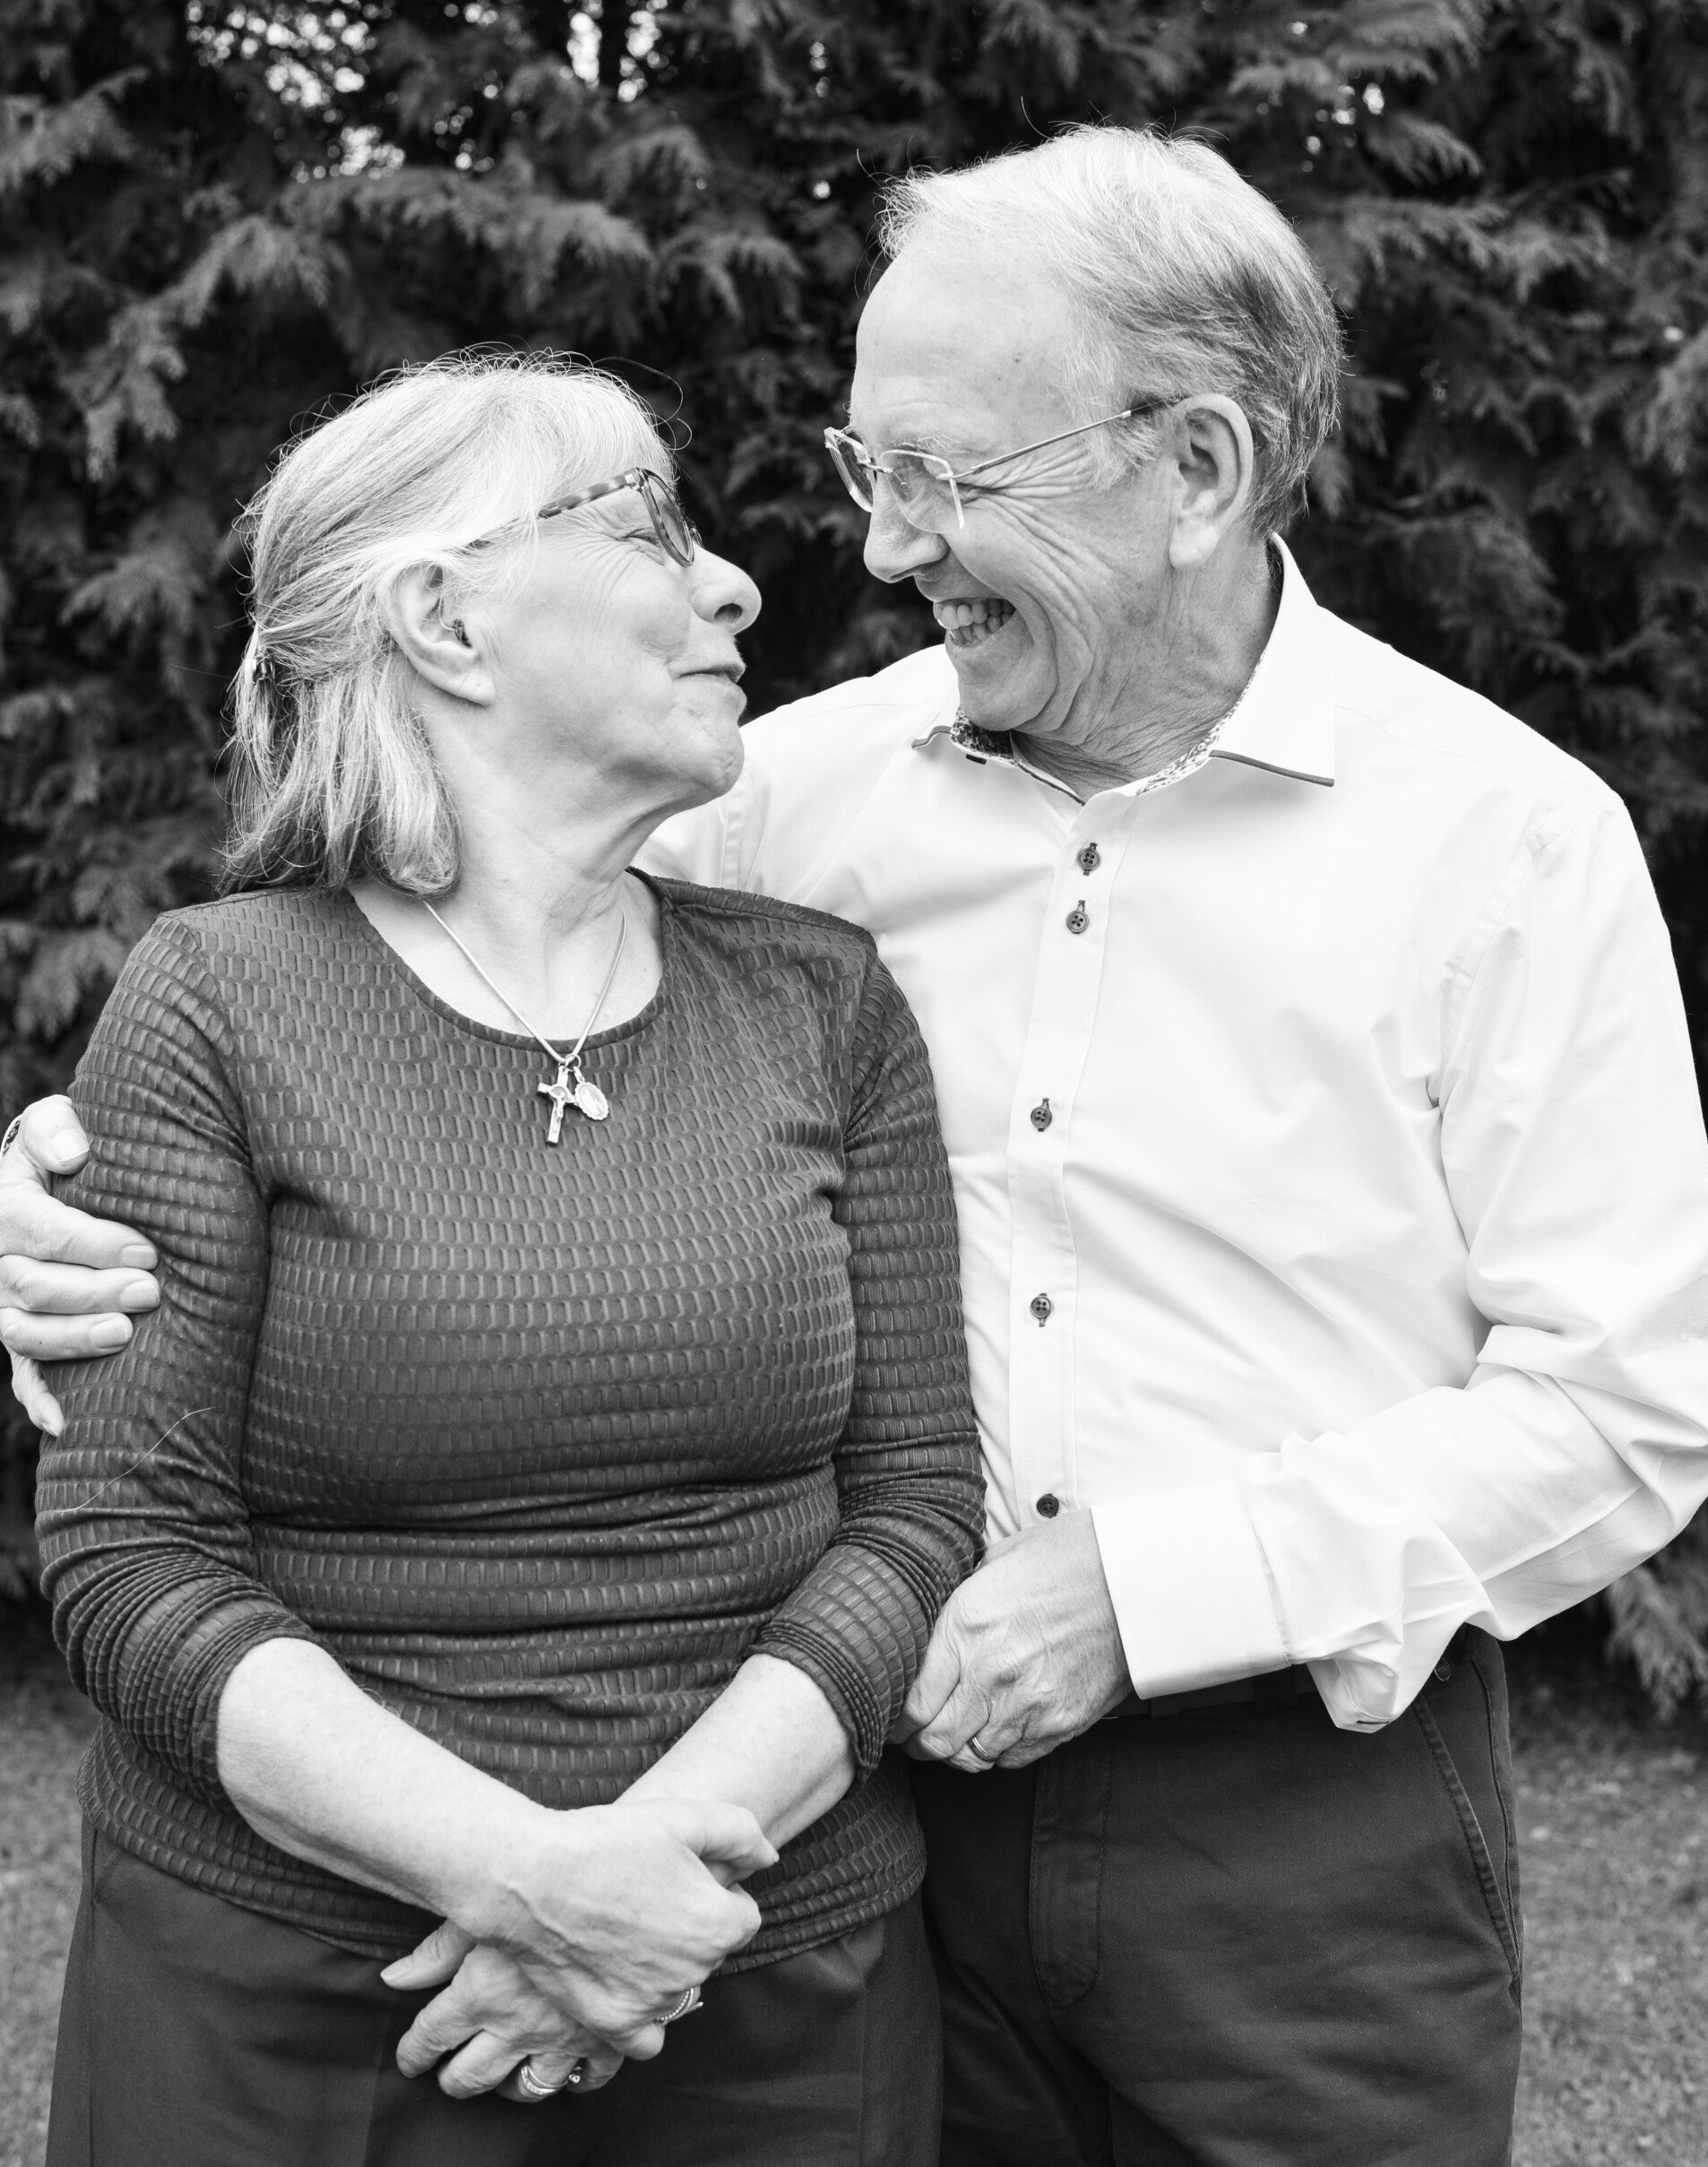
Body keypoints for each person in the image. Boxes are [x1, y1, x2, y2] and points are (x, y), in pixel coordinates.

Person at [7, 125, 1708, 2167]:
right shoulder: (786, 803)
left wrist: (1148, 1593)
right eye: (867, 466)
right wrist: (59, 1183)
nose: (888, 546)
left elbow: (1627, 1399)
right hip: (877, 1814)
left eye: (948, 476)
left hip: (1300, 1820)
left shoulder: (1503, 842)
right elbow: (426, 980)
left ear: (1197, 470)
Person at [17, 356, 983, 2167]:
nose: (735, 585)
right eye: (652, 530)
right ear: (446, 621)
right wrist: (522, 1875)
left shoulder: (820, 1001)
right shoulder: (217, 1006)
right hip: (305, 2007)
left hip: (765, 1984)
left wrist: (649, 1879)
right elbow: (134, 1556)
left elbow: (916, 1507)